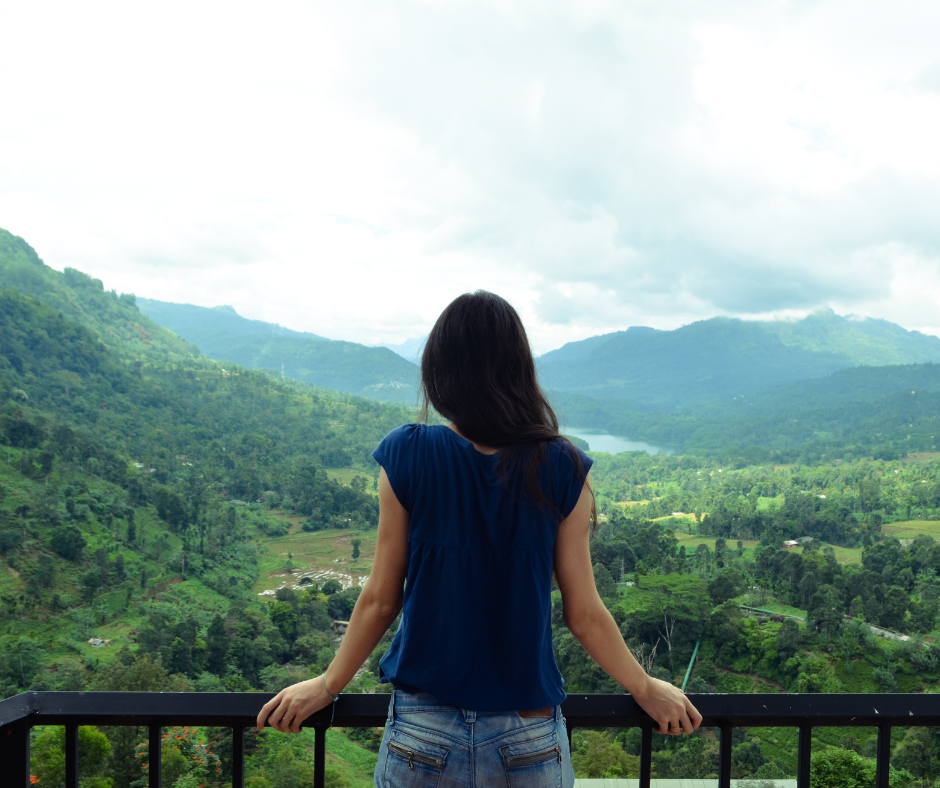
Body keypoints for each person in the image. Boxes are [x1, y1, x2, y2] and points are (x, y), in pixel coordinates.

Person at [257, 291, 702, 786]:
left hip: (423, 731)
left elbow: (381, 599)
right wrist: (644, 687)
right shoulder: (561, 466)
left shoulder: (409, 455)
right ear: (518, 368)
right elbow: (585, 614)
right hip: (529, 734)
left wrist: (327, 685)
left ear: (439, 370)